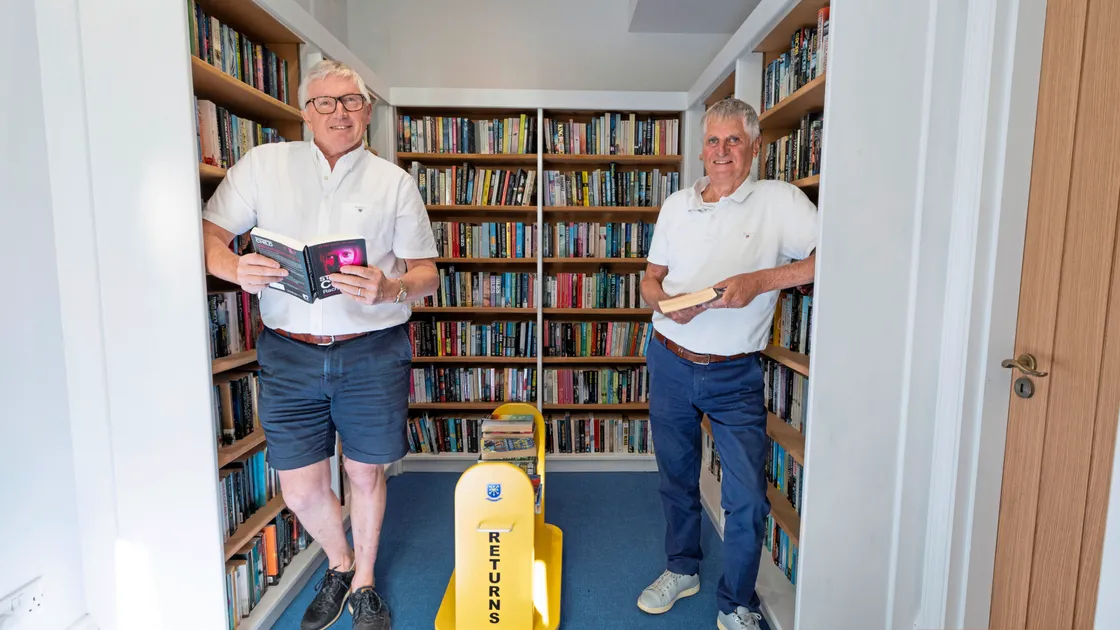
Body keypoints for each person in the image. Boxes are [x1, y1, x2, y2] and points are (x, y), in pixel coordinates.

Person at [201, 59, 439, 630]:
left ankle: (364, 582)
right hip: (289, 351)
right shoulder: (263, 166)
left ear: (367, 110)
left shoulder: (394, 183)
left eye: (351, 101)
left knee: (364, 472)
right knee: (301, 486)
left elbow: (427, 274)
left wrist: (391, 287)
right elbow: (209, 233)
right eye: (325, 102)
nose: (339, 113)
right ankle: (339, 561)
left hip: (371, 349)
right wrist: (233, 267)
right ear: (306, 112)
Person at [636, 98, 818, 630]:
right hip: (669, 358)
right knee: (676, 477)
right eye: (713, 141)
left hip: (734, 374)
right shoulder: (676, 205)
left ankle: (736, 602)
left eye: (733, 140)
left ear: (755, 147)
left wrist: (760, 281)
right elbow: (650, 279)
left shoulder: (780, 201)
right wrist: (664, 302)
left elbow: (833, 256)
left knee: (747, 497)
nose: (722, 151)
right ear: (701, 150)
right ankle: (682, 568)